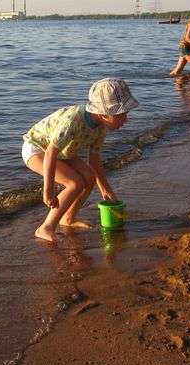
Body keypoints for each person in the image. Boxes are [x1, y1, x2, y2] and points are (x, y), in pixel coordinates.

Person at [22, 78, 138, 243]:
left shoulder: (100, 128)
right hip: (37, 149)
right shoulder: (72, 122)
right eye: (122, 115)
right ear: (103, 114)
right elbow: (50, 153)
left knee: (89, 178)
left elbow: (95, 160)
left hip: (64, 152)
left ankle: (68, 219)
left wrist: (105, 188)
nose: (126, 119)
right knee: (74, 183)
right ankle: (45, 228)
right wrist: (47, 190)